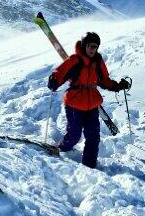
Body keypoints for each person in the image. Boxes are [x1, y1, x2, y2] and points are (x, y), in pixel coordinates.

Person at [47, 31, 131, 168]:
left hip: (92, 105)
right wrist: (54, 80)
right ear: (85, 45)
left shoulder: (97, 62)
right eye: (90, 46)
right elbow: (61, 72)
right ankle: (62, 149)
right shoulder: (75, 60)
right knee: (74, 135)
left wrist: (118, 86)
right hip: (74, 104)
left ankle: (89, 167)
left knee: (93, 137)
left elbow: (104, 80)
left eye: (96, 46)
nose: (93, 49)